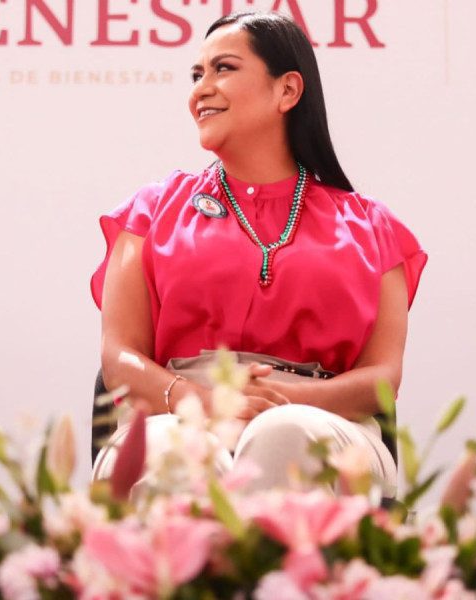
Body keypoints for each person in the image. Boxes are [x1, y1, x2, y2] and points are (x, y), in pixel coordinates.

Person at [91, 12, 427, 496]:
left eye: (223, 68)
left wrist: (283, 401)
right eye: (196, 75)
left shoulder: (372, 227)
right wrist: (200, 402)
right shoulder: (152, 211)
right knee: (173, 449)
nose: (201, 90)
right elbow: (118, 356)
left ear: (287, 90)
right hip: (176, 411)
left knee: (283, 434)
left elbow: (383, 377)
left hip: (324, 420)